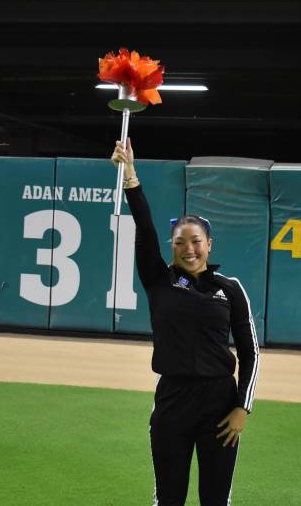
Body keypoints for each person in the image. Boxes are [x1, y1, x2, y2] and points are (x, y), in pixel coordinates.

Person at [111, 138, 260, 506]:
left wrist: (242, 407)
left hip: (220, 404)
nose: (188, 249)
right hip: (173, 399)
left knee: (216, 499)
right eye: (179, 243)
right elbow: (145, 229)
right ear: (172, 246)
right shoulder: (158, 280)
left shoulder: (230, 288)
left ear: (210, 244)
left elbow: (250, 353)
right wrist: (130, 176)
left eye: (196, 241)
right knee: (169, 498)